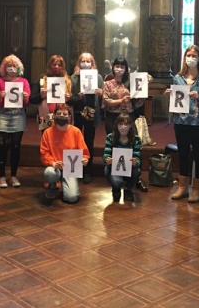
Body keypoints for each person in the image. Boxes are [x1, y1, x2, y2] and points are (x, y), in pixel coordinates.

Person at [165, 45, 199, 203]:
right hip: (181, 121)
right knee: (183, 153)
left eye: (194, 55)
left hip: (198, 121)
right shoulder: (177, 78)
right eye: (188, 55)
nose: (191, 58)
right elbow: (177, 99)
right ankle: (182, 187)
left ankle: (197, 189)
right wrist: (170, 94)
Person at [102, 56, 149, 193]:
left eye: (122, 67)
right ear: (113, 68)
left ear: (126, 68)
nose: (119, 69)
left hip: (128, 117)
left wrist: (145, 85)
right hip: (112, 117)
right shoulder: (107, 83)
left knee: (133, 144)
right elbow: (105, 101)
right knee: (114, 144)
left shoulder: (131, 82)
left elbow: (138, 103)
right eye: (117, 66)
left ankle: (136, 178)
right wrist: (121, 100)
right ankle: (115, 174)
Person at [40, 103, 90, 203]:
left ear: (69, 116)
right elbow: (44, 153)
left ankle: (65, 183)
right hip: (55, 167)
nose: (62, 116)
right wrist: (53, 163)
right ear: (54, 116)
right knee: (49, 172)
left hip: (70, 169)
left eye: (65, 114)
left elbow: (84, 152)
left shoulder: (76, 131)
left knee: (71, 198)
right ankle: (52, 185)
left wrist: (84, 159)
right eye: (59, 114)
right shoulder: (47, 132)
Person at [0, 54, 30, 188]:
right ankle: (1, 176)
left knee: (16, 146)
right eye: (9, 66)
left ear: (19, 68)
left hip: (18, 115)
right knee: (2, 146)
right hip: (2, 114)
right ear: (4, 67)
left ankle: (13, 176)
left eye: (14, 66)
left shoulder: (24, 82)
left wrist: (25, 98)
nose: (12, 68)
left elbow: (27, 104)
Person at [69, 52, 104, 183]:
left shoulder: (98, 77)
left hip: (92, 112)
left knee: (89, 141)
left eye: (88, 61)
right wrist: (77, 96)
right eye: (83, 61)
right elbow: (69, 98)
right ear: (79, 63)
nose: (85, 63)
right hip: (77, 112)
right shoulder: (73, 77)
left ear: (92, 63)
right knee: (75, 141)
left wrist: (101, 93)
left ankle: (88, 170)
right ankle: (75, 169)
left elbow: (104, 95)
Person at [103, 113, 142, 203]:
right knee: (117, 182)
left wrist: (135, 162)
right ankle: (116, 189)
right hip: (113, 168)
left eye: (126, 124)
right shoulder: (110, 137)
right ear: (117, 125)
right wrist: (107, 160)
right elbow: (105, 155)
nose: (123, 127)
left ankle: (128, 189)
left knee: (137, 171)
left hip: (129, 168)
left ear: (130, 126)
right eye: (121, 124)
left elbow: (138, 158)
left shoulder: (136, 140)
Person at [30, 55, 72, 131]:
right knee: (47, 135)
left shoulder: (68, 81)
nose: (57, 67)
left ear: (63, 67)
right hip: (45, 113)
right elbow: (32, 99)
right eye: (54, 64)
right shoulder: (41, 80)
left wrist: (69, 98)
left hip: (63, 115)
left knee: (63, 136)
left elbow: (76, 99)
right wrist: (40, 96)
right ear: (49, 65)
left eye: (59, 65)